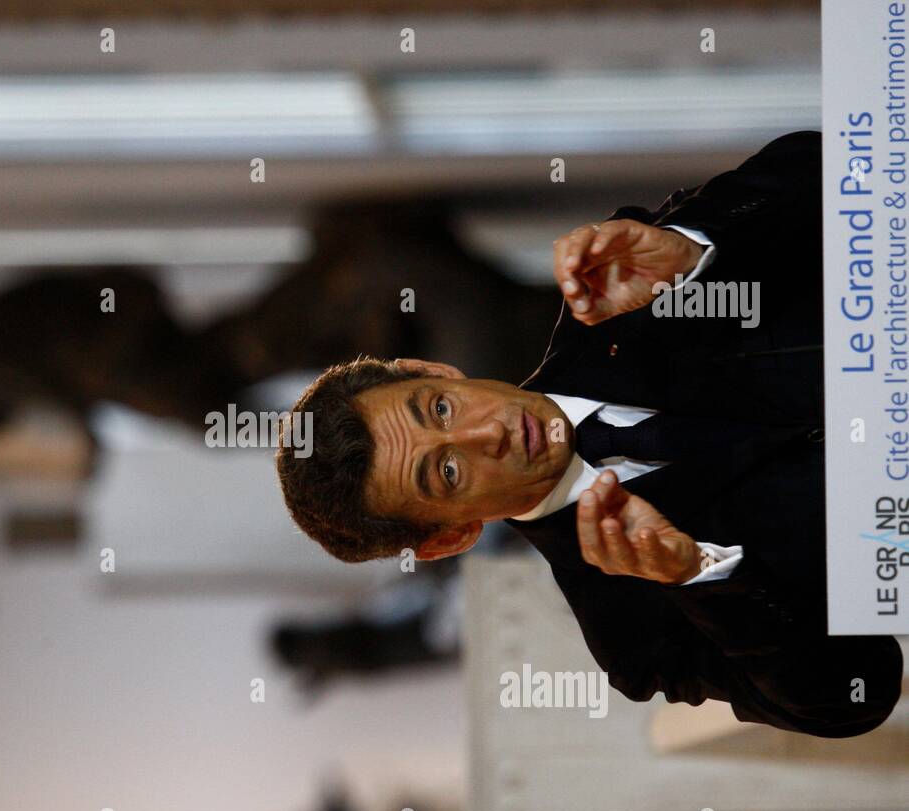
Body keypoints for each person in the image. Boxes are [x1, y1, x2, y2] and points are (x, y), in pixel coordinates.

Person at [275, 131, 904, 738]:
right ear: (448, 538)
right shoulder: (635, 629)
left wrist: (699, 247)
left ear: (431, 370)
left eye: (438, 408)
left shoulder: (622, 289)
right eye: (445, 472)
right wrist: (703, 574)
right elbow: (857, 696)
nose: (482, 434)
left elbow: (842, 165)